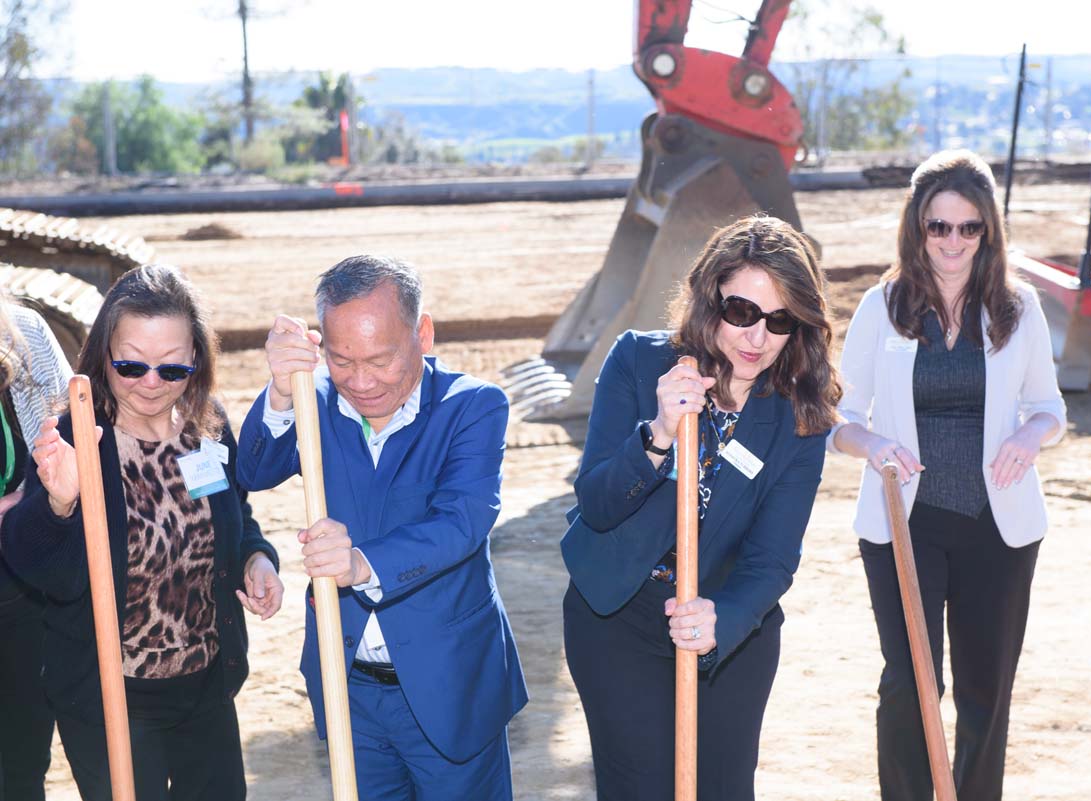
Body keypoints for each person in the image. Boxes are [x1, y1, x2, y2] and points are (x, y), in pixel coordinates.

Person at [561, 215, 841, 801]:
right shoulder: (639, 364)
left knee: (723, 791)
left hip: (726, 623)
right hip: (619, 615)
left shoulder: (800, 417)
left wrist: (724, 615)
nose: (757, 337)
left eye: (779, 320)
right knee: (642, 790)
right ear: (708, 297)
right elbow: (597, 505)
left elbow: (771, 560)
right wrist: (657, 434)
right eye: (741, 312)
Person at [236, 254, 527, 800]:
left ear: (424, 334)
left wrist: (360, 564)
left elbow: (463, 521)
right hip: (348, 689)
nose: (362, 382)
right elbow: (253, 470)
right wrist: (280, 389)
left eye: (381, 360)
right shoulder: (312, 398)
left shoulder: (472, 406)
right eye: (343, 361)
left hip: (450, 688)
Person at [828, 149, 1067, 801]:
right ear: (917, 228)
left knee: (986, 687)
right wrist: (870, 441)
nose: (953, 241)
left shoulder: (1020, 308)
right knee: (911, 680)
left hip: (1001, 526)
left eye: (969, 227)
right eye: (939, 226)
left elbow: (1051, 407)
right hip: (904, 524)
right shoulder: (883, 307)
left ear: (988, 230)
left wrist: (1029, 431)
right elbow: (838, 417)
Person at [1, 264, 283, 801]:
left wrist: (255, 558)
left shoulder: (209, 424)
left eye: (170, 369)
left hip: (206, 682)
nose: (150, 383)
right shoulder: (74, 436)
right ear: (103, 353)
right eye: (130, 365)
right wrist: (59, 504)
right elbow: (41, 572)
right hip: (109, 696)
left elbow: (236, 516)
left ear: (196, 358)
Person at [0, 300, 71, 801]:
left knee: (20, 768)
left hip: (19, 594)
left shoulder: (24, 332)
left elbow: (73, 432)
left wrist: (40, 496)